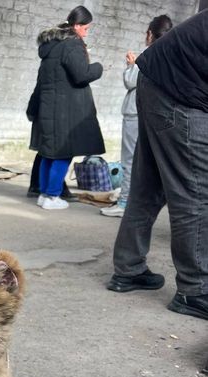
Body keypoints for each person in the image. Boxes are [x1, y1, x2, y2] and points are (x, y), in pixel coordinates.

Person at [106, 10, 208, 321]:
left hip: (155, 80)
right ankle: (195, 290)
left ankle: (128, 269)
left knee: (148, 186)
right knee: (195, 192)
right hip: (180, 91)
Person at [28, 5, 104, 211]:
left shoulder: (51, 47)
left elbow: (40, 82)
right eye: (86, 28)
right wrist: (98, 68)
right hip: (65, 112)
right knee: (63, 153)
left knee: (48, 153)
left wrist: (32, 108)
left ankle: (44, 194)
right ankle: (53, 196)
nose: (86, 33)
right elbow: (81, 75)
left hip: (48, 109)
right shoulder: (72, 44)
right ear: (77, 26)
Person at [101, 15, 173, 218]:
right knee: (147, 161)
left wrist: (131, 65)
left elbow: (131, 81)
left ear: (150, 34)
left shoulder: (148, 54)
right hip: (155, 113)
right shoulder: (169, 53)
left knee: (129, 158)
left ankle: (124, 202)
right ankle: (138, 202)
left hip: (135, 112)